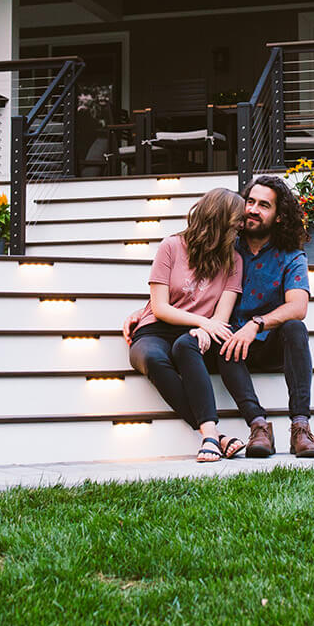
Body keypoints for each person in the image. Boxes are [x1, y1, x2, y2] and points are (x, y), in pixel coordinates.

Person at [124, 187, 248, 462]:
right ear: (219, 219)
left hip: (194, 335)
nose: (242, 226)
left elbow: (221, 317)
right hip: (155, 328)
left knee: (185, 347)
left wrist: (204, 329)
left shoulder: (234, 261)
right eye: (238, 220)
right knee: (153, 359)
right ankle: (215, 435)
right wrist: (204, 323)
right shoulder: (171, 246)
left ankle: (209, 437)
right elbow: (160, 308)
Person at [216, 175, 314, 458]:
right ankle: (258, 426)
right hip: (234, 346)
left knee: (295, 327)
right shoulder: (227, 245)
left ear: (278, 216)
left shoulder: (291, 255)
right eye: (250, 201)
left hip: (270, 342)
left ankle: (301, 427)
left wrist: (257, 323)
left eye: (264, 205)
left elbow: (298, 306)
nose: (252, 209)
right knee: (223, 337)